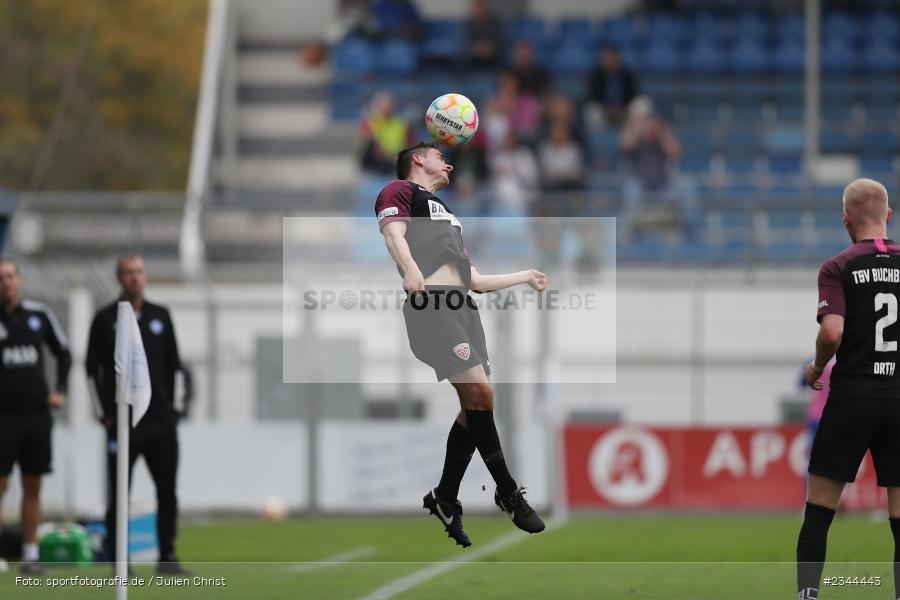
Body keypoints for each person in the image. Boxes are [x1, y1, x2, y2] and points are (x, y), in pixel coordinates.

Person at [375, 141, 547, 547]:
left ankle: (445, 497)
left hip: (463, 307)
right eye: (439, 156)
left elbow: (473, 279)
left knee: (477, 407)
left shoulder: (449, 217)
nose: (448, 162)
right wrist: (411, 269)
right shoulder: (398, 190)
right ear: (418, 160)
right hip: (432, 304)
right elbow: (392, 234)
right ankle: (507, 491)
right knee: (482, 395)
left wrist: (524, 275)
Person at [799, 178, 900, 600]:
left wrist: (817, 366)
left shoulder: (837, 266)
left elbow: (833, 331)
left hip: (852, 397)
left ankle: (808, 595)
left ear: (846, 219)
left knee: (820, 509)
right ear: (888, 215)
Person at [86, 255, 188, 574]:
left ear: (145, 276)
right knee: (119, 494)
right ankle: (121, 561)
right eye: (128, 272)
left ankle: (167, 555)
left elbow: (176, 366)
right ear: (119, 277)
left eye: (139, 271)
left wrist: (177, 410)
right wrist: (105, 415)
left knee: (167, 490)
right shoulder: (105, 319)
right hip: (122, 424)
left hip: (160, 422)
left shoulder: (161, 316)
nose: (134, 277)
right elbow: (92, 372)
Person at [0, 257, 71, 575]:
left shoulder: (39, 315)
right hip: (3, 416)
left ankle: (30, 554)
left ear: (20, 280)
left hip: (36, 415)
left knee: (33, 485)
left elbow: (64, 352)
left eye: (10, 276)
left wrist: (61, 390)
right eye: (1, 278)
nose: (6, 283)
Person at [358, 92, 414, 177]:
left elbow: (410, 143)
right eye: (383, 106)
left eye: (390, 106)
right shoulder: (369, 122)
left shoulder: (402, 123)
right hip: (375, 165)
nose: (386, 109)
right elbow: (370, 144)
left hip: (396, 162)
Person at [587, 45, 638, 126]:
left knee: (641, 104)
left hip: (624, 110)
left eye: (613, 57)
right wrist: (608, 109)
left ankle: (634, 135)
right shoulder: (596, 76)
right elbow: (593, 97)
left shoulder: (627, 75)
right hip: (604, 110)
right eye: (607, 57)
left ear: (619, 58)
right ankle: (598, 136)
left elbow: (633, 95)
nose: (610, 60)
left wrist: (622, 108)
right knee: (592, 110)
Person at [463, 0, 504, 69]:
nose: (480, 11)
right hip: (473, 57)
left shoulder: (495, 23)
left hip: (492, 57)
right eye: (478, 8)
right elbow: (465, 42)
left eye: (482, 8)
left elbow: (500, 40)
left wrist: (490, 49)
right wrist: (477, 49)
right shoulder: (467, 24)